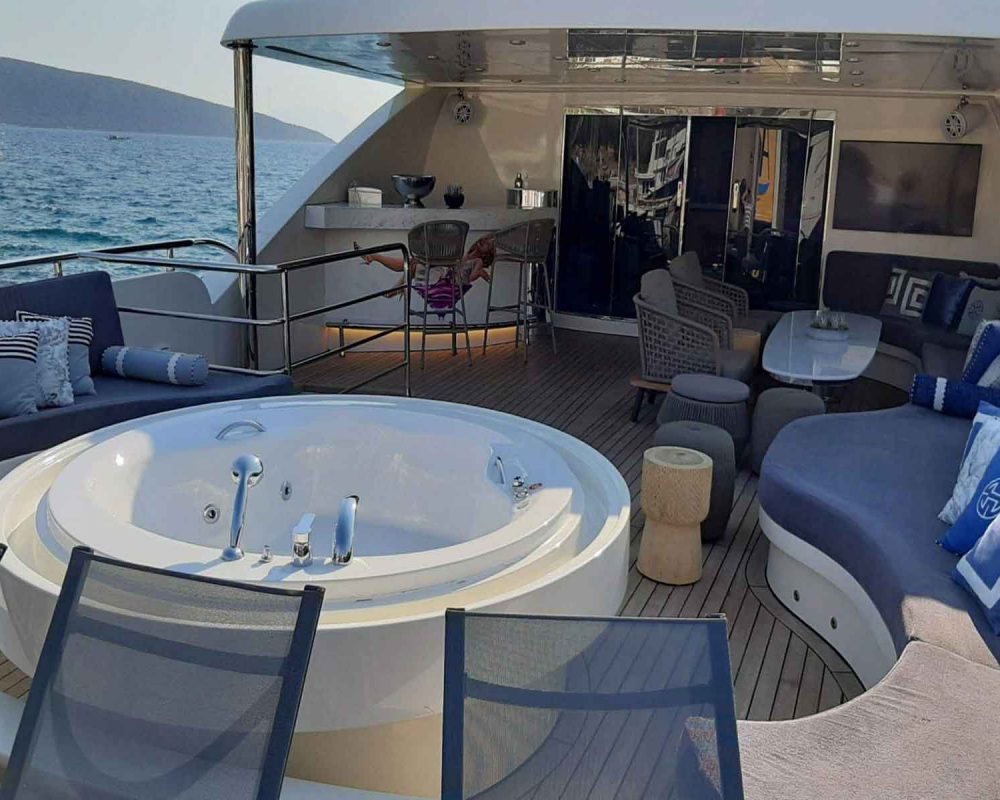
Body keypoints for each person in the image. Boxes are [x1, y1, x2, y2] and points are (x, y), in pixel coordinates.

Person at [360, 234, 495, 314]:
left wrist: (480, 273)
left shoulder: (478, 261)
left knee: (414, 264)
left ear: (486, 254)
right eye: (484, 239)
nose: (482, 240)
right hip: (443, 277)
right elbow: (454, 267)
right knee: (414, 263)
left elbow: (468, 279)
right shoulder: (466, 255)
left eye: (486, 243)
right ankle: (376, 259)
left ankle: (376, 260)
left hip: (447, 285)